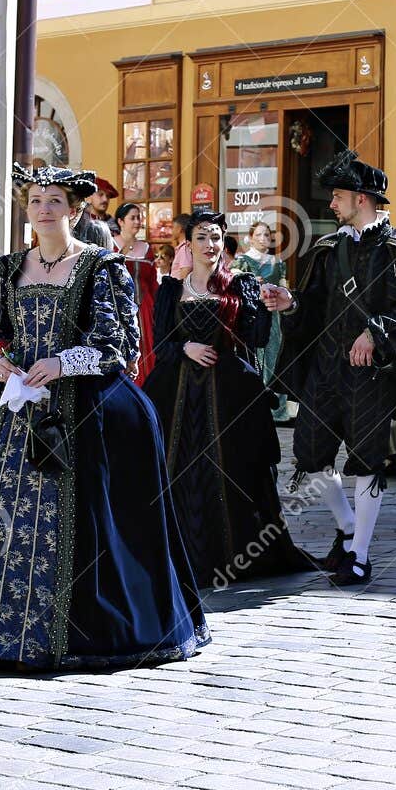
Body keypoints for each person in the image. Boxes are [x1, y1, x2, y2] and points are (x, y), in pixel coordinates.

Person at [0, 163, 206, 668]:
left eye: (55, 201)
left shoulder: (101, 266)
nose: (43, 209)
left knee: (85, 518)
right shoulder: (5, 269)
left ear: (75, 209)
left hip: (81, 406)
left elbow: (120, 343)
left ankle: (72, 632)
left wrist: (62, 362)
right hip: (15, 406)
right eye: (37, 200)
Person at [264, 149, 396, 585]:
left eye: (338, 195)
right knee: (309, 453)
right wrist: (291, 303)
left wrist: (376, 332)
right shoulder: (329, 249)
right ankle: (346, 527)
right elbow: (314, 308)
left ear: (362, 198)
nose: (331, 204)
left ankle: (360, 556)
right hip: (326, 369)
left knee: (366, 461)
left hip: (373, 375)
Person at [144, 210, 313, 587]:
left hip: (229, 393)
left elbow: (254, 339)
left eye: (216, 237)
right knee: (179, 467)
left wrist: (269, 310)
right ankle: (178, 555)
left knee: (231, 470)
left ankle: (233, 555)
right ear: (188, 243)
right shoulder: (174, 288)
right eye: (202, 237)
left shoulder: (240, 284)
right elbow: (161, 343)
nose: (211, 245)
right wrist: (185, 346)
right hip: (179, 394)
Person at [232, 221, 290, 422]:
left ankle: (278, 411)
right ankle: (256, 405)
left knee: (275, 357)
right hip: (254, 313)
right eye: (259, 234)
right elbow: (234, 285)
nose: (264, 238)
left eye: (267, 235)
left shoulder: (278, 262)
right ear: (251, 237)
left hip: (274, 315)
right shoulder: (242, 261)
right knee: (255, 356)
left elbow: (285, 287)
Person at [114, 201, 158, 385]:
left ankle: (146, 388)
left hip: (144, 308)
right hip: (117, 307)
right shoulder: (111, 244)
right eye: (132, 218)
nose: (137, 221)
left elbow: (152, 281)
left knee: (146, 349)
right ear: (120, 221)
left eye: (139, 217)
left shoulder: (147, 248)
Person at [72, 174, 114, 250]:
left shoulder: (115, 224)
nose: (105, 199)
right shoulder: (78, 221)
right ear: (89, 197)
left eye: (108, 196)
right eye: (100, 195)